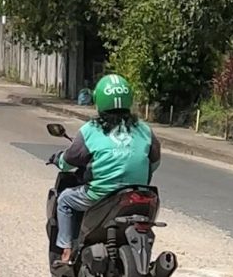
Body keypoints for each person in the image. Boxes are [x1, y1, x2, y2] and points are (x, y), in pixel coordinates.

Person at [51, 74, 161, 265]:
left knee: (65, 199)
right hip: (139, 193)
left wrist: (58, 160)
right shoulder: (144, 129)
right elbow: (155, 161)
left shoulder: (91, 130)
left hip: (100, 194)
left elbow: (70, 160)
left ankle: (66, 250)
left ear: (98, 100)